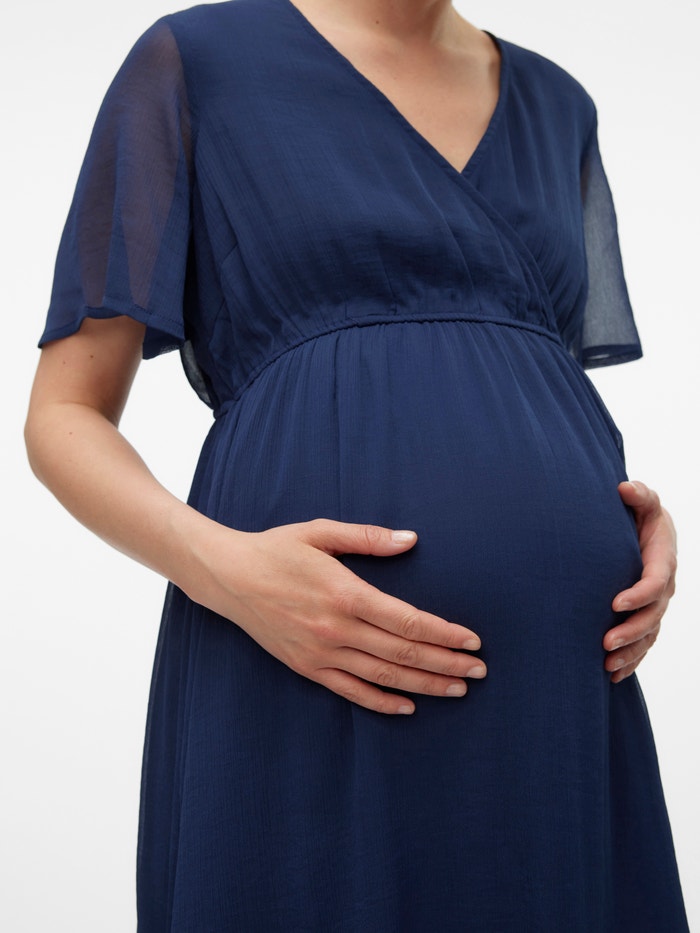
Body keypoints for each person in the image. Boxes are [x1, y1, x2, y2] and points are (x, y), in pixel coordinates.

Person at [25, 0, 688, 929]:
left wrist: (631, 526)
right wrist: (227, 569)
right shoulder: (196, 61)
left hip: (559, 692)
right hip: (303, 656)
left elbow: (528, 382)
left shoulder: (559, 105)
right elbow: (63, 415)